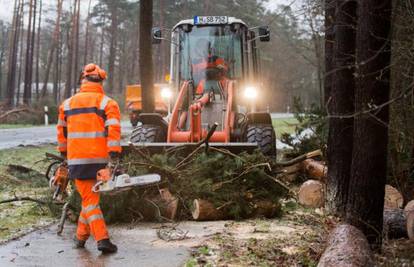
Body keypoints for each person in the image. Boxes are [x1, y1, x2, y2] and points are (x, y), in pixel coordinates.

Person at [57, 63, 121, 254]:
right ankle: (102, 239)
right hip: (99, 161)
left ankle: (80, 237)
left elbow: (62, 134)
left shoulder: (67, 104)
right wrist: (115, 156)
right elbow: (114, 131)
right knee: (91, 202)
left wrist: (64, 155)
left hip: (76, 161)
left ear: (82, 79)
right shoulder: (108, 103)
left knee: (89, 199)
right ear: (101, 81)